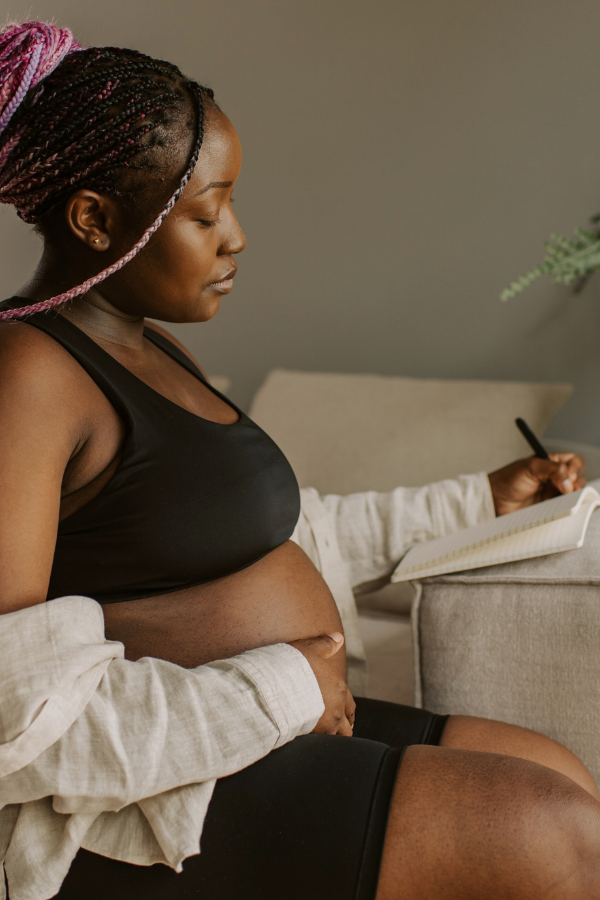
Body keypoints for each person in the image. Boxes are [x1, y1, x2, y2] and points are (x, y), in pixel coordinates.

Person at [0, 21, 598, 900]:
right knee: (556, 836)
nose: (235, 238)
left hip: (269, 719)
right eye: (205, 213)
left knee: (561, 775)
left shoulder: (150, 347)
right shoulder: (26, 375)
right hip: (152, 797)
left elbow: (269, 533)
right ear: (95, 219)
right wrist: (280, 686)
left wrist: (479, 499)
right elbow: (15, 711)